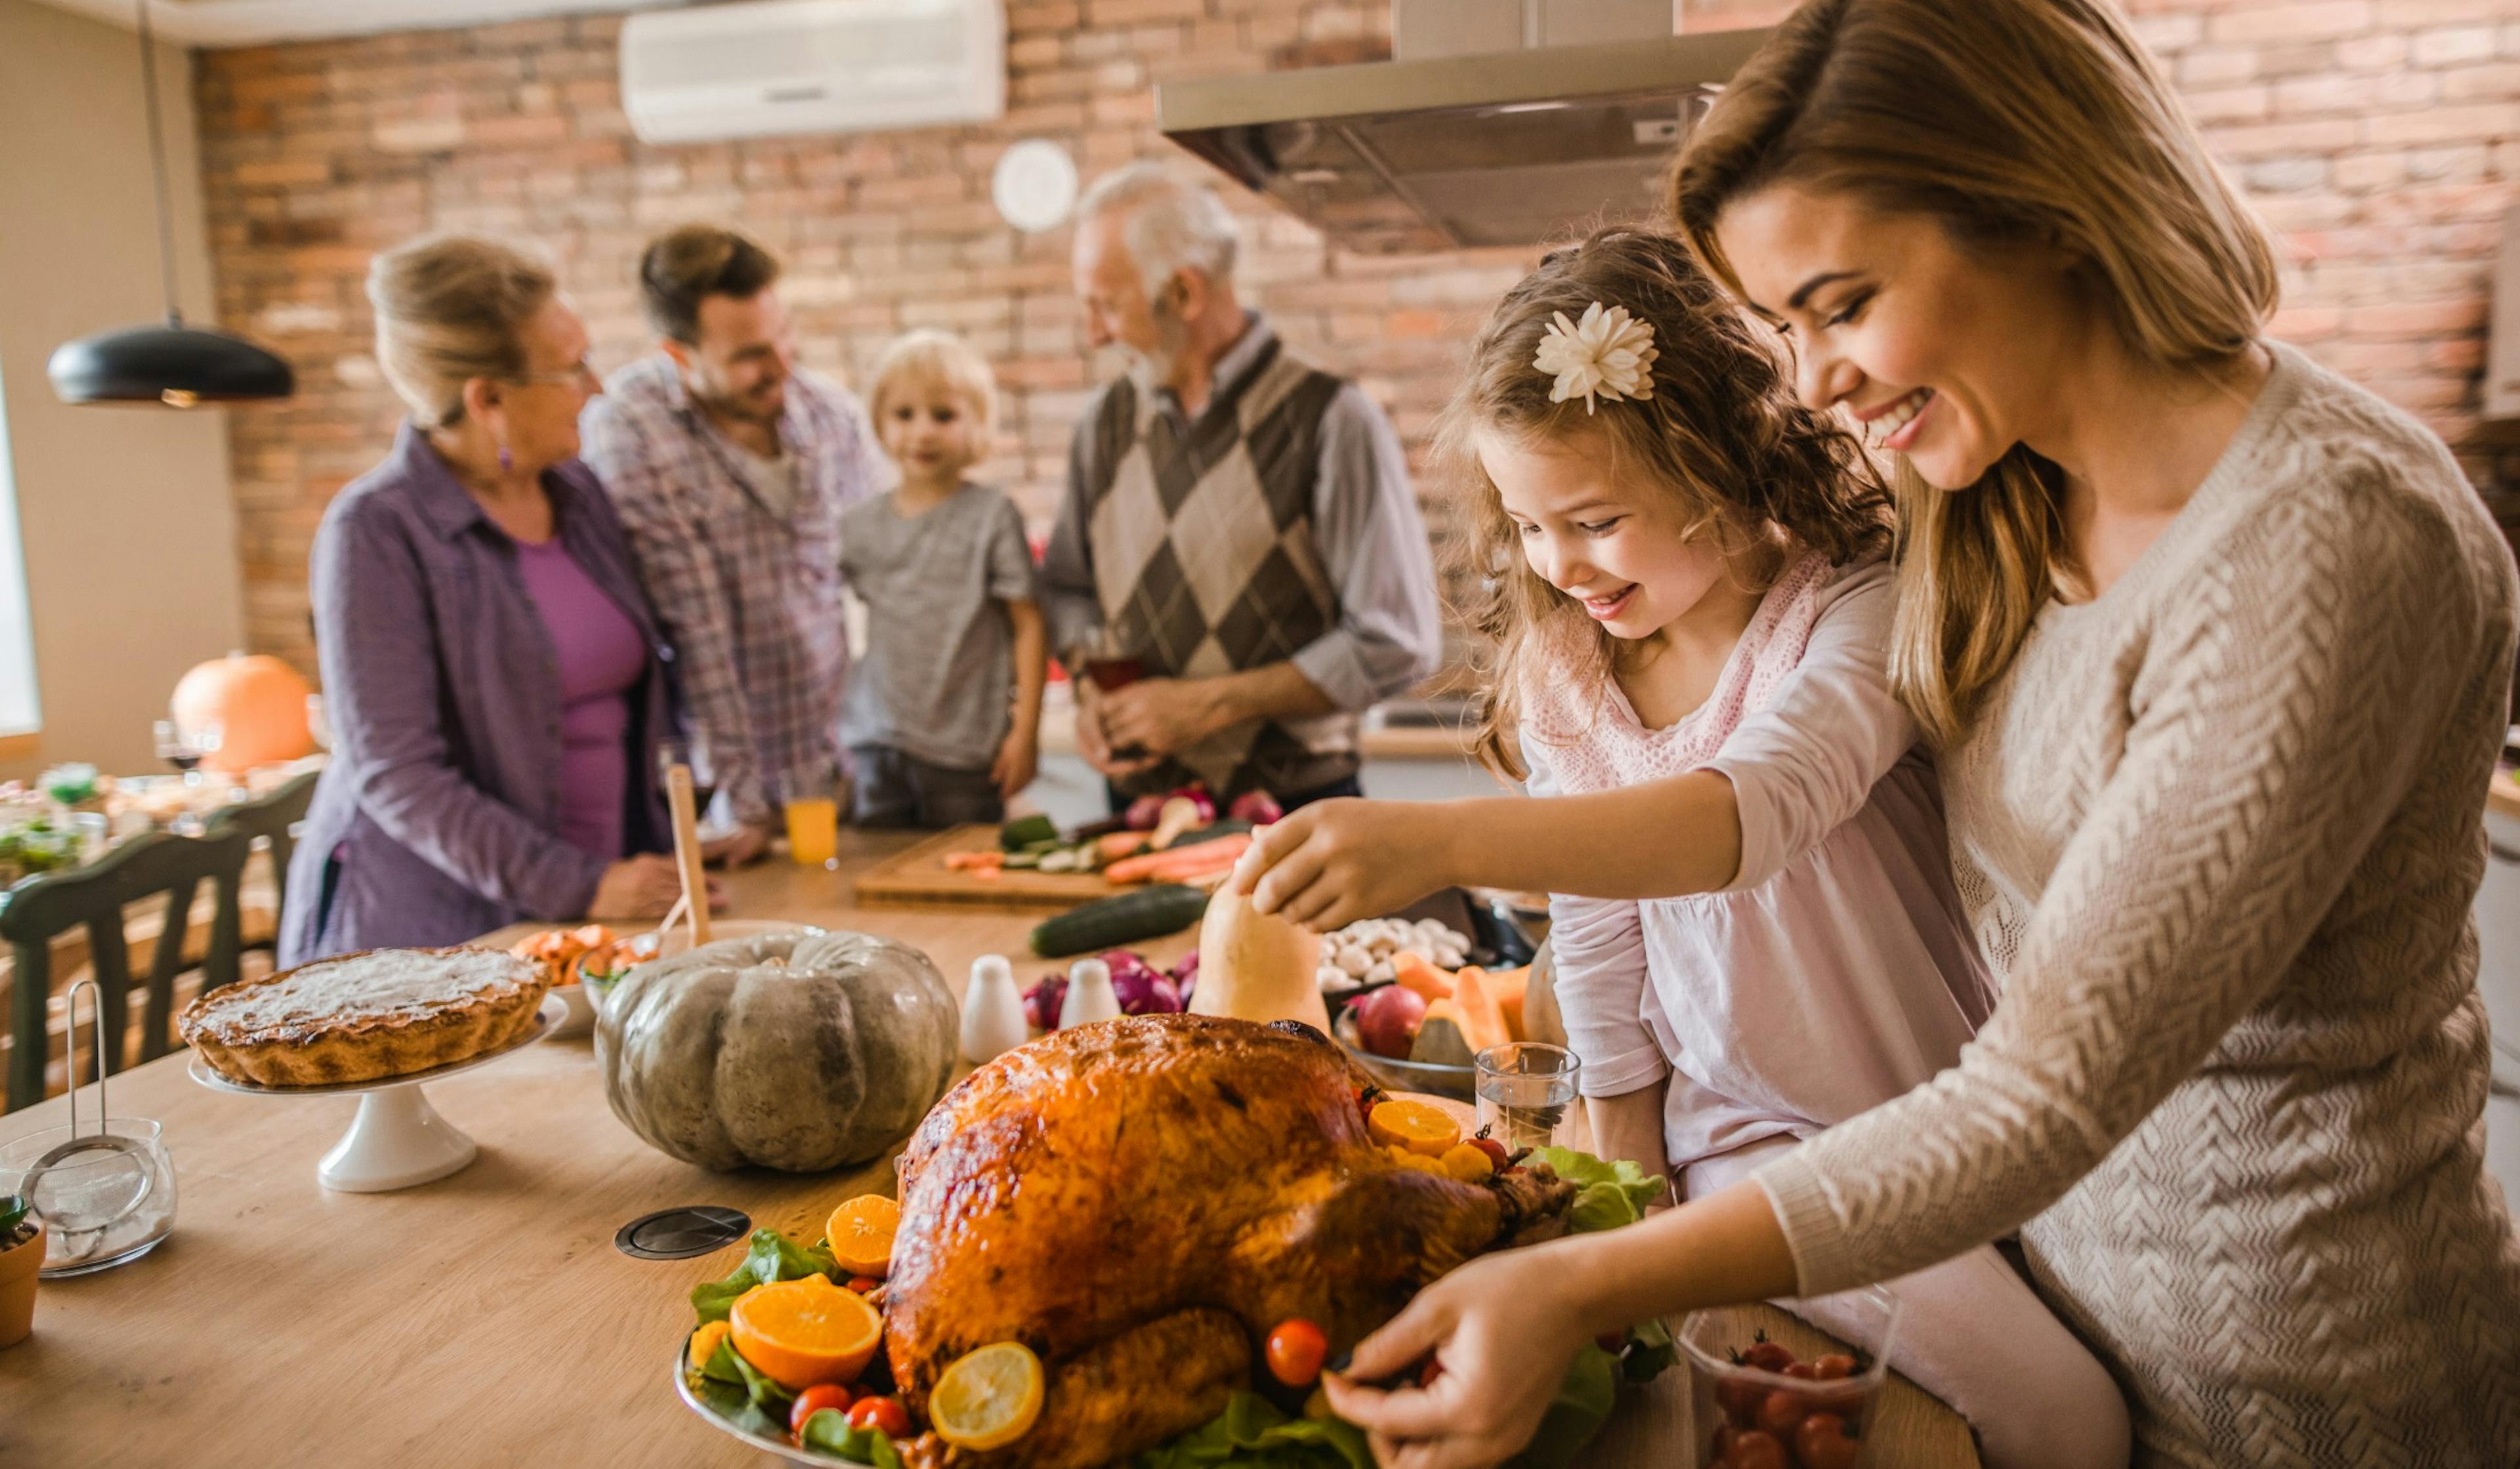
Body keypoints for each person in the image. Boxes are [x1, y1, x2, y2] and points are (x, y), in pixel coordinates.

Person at [1248, 3, 2520, 1465]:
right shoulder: (2002, 500)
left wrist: (1585, 1272)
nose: (1811, 382)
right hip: (2070, 1300)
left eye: (1841, 303)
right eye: (1785, 325)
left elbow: (2043, 1088)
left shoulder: (2332, 544)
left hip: (2304, 1388)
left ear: (2045, 206)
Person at [1278, 228, 2133, 1467]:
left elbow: (1755, 810)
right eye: (1527, 525)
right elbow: (1601, 927)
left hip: (1944, 1120)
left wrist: (1449, 835)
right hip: (1747, 1148)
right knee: (2066, 1413)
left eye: (1596, 518)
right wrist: (1627, 1178)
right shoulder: (1571, 671)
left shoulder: (1854, 611)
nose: (1559, 565)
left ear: (1718, 470)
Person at [280, 236, 690, 966]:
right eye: (569, 369)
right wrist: (580, 883)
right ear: (488, 399)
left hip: (595, 911)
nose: (595, 388)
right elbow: (397, 773)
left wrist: (658, 858)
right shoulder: (375, 530)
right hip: (437, 935)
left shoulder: (580, 494)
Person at [1039, 163, 1442, 811]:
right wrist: (1090, 688)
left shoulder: (1330, 420)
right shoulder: (1103, 424)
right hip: (1138, 816)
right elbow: (1066, 587)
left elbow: (1393, 643)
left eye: (1107, 306)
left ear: (1185, 294)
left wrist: (1207, 706)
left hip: (1297, 818)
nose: (1094, 335)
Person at [579, 224, 888, 862]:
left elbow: (887, 584)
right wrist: (741, 799)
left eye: (783, 336)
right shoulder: (631, 425)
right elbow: (693, 623)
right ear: (679, 352)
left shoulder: (830, 416)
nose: (781, 365)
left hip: (842, 772)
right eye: (750, 354)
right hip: (717, 797)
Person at [839, 330, 1047, 827]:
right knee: (874, 877)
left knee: (962, 875)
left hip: (967, 751)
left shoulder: (993, 517)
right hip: (877, 743)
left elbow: (1030, 625)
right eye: (904, 414)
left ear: (976, 424)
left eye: (944, 415)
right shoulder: (858, 525)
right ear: (880, 424)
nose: (923, 431)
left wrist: (1026, 732)